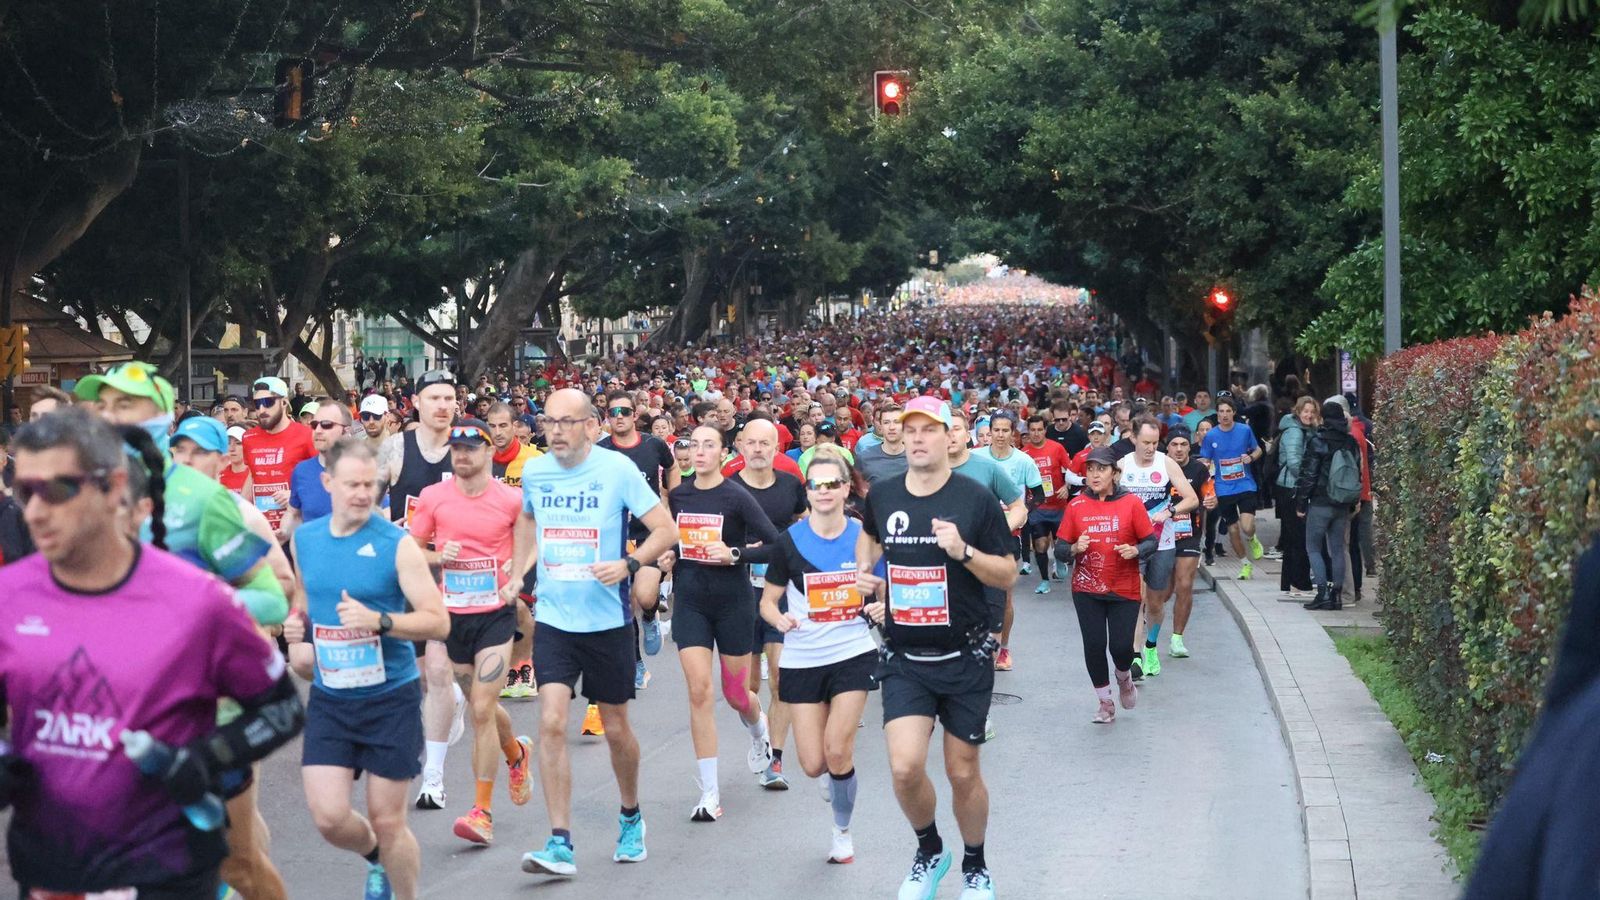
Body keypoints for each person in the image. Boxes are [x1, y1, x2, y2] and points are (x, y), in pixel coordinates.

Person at [0, 408, 304, 899]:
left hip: (167, 868)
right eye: (24, 491)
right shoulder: (8, 597)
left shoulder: (198, 600)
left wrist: (204, 758)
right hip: (52, 872)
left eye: (57, 490)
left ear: (115, 488)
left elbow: (283, 708)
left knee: (245, 865)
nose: (35, 511)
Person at [76, 363, 294, 898]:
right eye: (102, 406)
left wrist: (185, 613)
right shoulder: (84, 499)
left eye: (125, 405)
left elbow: (269, 595)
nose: (109, 417)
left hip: (205, 717)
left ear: (162, 415)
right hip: (117, 714)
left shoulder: (201, 498)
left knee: (238, 866)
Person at [511, 388, 677, 879]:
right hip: (556, 620)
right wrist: (518, 571)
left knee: (617, 728)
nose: (557, 431)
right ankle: (560, 841)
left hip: (606, 623)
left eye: (567, 421)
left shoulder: (617, 470)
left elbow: (665, 530)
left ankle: (630, 815)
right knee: (552, 723)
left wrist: (629, 562)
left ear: (590, 425)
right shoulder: (537, 472)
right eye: (549, 422)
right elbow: (527, 518)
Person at [856, 396, 1015, 900]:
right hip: (905, 658)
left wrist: (963, 552)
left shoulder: (974, 499)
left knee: (961, 771)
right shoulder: (883, 496)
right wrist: (869, 580)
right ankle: (930, 851)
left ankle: (975, 864)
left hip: (964, 656)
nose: (919, 438)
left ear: (949, 437)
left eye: (929, 430)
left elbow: (1008, 572)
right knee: (904, 768)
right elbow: (870, 540)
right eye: (911, 430)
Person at [283, 438, 449, 900]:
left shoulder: (396, 545)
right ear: (327, 483)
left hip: (389, 698)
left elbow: (438, 620)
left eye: (370, 484)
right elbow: (303, 599)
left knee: (389, 818)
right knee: (330, 818)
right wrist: (297, 631)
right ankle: (376, 855)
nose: (362, 493)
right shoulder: (306, 541)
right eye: (351, 484)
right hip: (332, 698)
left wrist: (381, 621)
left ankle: (404, 888)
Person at [407, 418, 534, 846]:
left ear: (487, 452)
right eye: (455, 447)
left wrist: (515, 575)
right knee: (483, 707)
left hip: (495, 613)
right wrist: (438, 554)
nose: (461, 454)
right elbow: (411, 549)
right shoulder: (433, 497)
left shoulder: (511, 499)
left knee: (480, 705)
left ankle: (481, 811)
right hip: (451, 617)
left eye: (470, 447)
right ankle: (516, 753)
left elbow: (531, 539)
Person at [759, 454, 876, 864]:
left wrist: (881, 606)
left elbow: (886, 586)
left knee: (839, 750)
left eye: (832, 484)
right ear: (806, 492)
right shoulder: (789, 541)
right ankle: (832, 776)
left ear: (847, 488)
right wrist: (780, 618)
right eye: (816, 485)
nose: (823, 491)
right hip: (803, 656)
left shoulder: (865, 537)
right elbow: (768, 603)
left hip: (852, 651)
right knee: (813, 764)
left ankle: (841, 831)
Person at [668, 424, 784, 819]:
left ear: (722, 452)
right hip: (691, 602)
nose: (699, 452)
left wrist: (735, 553)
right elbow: (670, 540)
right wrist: (668, 556)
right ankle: (710, 795)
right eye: (694, 445)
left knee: (736, 695)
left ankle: (759, 731)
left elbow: (775, 544)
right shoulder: (678, 495)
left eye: (708, 446)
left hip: (733, 603)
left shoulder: (737, 496)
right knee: (699, 692)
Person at [378, 369, 465, 811]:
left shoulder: (467, 451)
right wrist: (385, 527)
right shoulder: (395, 448)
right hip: (408, 570)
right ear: (415, 402)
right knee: (411, 676)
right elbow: (368, 504)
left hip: (454, 573)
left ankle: (433, 777)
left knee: (438, 671)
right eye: (434, 397)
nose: (443, 405)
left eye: (449, 397)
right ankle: (449, 702)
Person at [731, 418, 808, 789]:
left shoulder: (792, 486)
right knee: (743, 690)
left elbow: (807, 528)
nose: (758, 449)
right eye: (752, 443)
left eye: (766, 443)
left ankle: (775, 761)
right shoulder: (728, 488)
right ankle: (758, 735)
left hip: (780, 594)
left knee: (780, 677)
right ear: (741, 446)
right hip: (739, 595)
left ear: (776, 448)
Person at [1057, 446, 1156, 723]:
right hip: (1087, 589)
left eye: (1101, 469)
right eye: (1090, 469)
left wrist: (1136, 551)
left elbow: (1151, 541)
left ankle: (1124, 678)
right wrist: (1075, 547)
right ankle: (1105, 703)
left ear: (1115, 473)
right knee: (1094, 644)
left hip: (1123, 587)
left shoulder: (1132, 503)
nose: (1094, 474)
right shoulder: (1076, 506)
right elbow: (1060, 550)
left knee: (1121, 648)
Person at [598, 389, 679, 697]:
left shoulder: (653, 444)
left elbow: (671, 467)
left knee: (644, 596)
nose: (619, 418)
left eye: (624, 412)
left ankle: (650, 616)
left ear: (634, 415)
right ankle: (636, 663)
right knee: (623, 603)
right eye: (613, 413)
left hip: (649, 534)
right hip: (616, 534)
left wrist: (673, 497)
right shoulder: (601, 451)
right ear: (608, 419)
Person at [1118, 417, 1198, 680]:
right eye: (1145, 443)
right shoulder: (1122, 465)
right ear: (1134, 439)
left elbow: (1192, 498)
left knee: (1155, 603)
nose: (1151, 448)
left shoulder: (1166, 463)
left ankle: (1151, 646)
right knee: (1137, 599)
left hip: (1163, 543)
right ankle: (1136, 654)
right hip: (1133, 545)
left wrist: (1170, 511)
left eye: (1154, 443)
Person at [971, 412, 1043, 670]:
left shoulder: (1023, 461)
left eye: (1005, 430)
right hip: (977, 533)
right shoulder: (976, 457)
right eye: (996, 430)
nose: (1000, 435)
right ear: (988, 432)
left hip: (1009, 534)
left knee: (1005, 597)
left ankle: (1003, 648)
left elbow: (1038, 495)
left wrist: (1021, 514)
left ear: (1013, 433)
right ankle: (975, 643)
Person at [486, 400, 543, 699]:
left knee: (519, 605)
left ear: (516, 426)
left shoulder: (535, 461)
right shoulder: (480, 459)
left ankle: (524, 665)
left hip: (525, 544)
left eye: (503, 425)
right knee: (496, 610)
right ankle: (508, 665)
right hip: (489, 546)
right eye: (492, 426)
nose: (497, 432)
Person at [1296, 401, 1361, 611]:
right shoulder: (1350, 441)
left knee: (1313, 547)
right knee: (1338, 549)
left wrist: (1301, 502)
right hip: (1342, 502)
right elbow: (1356, 471)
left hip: (1320, 501)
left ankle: (1322, 592)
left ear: (1322, 418)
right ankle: (1337, 595)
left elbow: (1309, 474)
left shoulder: (1318, 440)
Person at [241, 376, 318, 539]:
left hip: (297, 527)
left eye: (268, 402)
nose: (261, 409)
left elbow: (323, 476)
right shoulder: (249, 438)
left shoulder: (306, 436)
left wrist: (295, 495)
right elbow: (252, 474)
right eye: (257, 403)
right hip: (262, 530)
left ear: (284, 402)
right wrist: (238, 510)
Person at [1199, 395, 1264, 579]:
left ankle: (1252, 539)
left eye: (1228, 411)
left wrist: (1250, 458)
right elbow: (1206, 460)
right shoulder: (1211, 435)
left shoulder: (1244, 430)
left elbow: (1258, 449)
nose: (1225, 415)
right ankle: (1245, 564)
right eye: (1221, 411)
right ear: (1217, 414)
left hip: (1245, 485)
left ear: (1234, 413)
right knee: (1233, 530)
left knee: (1246, 525)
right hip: (1224, 488)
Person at [1162, 427, 1213, 657]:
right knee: (1162, 592)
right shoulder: (1158, 467)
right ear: (1168, 446)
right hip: (1160, 534)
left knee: (1184, 584)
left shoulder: (1199, 469)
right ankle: (1144, 630)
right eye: (1175, 444)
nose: (1179, 449)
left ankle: (1177, 639)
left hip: (1189, 533)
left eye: (1183, 444)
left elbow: (1209, 493)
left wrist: (1211, 501)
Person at [1020, 412, 1078, 594]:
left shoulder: (1057, 448)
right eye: (1032, 430)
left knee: (1061, 544)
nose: (1036, 434)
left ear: (1045, 430)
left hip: (1059, 506)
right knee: (1040, 544)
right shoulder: (1024, 454)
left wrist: (1067, 487)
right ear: (1028, 432)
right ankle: (1044, 581)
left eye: (1039, 430)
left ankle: (1060, 559)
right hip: (1038, 507)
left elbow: (1071, 471)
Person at [280, 398, 355, 539]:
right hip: (313, 558)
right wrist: (283, 532)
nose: (318, 431)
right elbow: (294, 513)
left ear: (346, 431)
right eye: (314, 425)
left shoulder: (362, 470)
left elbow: (384, 512)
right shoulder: (301, 470)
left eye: (326, 425)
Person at [1274, 397, 1319, 599]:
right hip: (1292, 489)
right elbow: (1294, 462)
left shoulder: (1303, 430)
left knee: (1294, 537)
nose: (1308, 415)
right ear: (1298, 412)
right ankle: (1298, 583)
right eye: (1305, 411)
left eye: (1312, 411)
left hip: (1290, 487)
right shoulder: (1294, 432)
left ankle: (1291, 583)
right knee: (1298, 537)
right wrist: (1308, 483)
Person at [853, 402, 908, 491]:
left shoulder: (917, 459)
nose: (891, 427)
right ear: (881, 426)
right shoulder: (864, 458)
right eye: (886, 422)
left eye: (896, 422)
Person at [220, 425, 252, 496]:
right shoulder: (218, 474)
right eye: (228, 443)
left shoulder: (256, 475)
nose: (232, 448)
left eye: (238, 443)